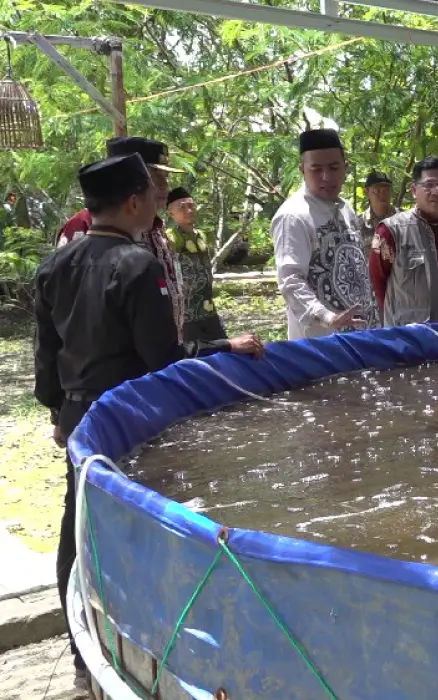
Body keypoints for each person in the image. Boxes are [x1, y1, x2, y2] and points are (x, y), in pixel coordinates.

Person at [32, 154, 265, 686]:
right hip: (134, 419)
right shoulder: (138, 266)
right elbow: (163, 359)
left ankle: (83, 653)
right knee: (153, 525)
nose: (158, 203)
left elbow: (45, 360)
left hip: (77, 416)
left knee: (81, 524)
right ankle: (160, 652)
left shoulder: (55, 264)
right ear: (134, 202)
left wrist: (59, 414)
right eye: (153, 195)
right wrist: (222, 347)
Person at [57, 136, 185, 338]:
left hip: (161, 356)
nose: (163, 185)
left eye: (165, 176)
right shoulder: (82, 227)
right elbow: (72, 308)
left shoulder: (156, 226)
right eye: (154, 175)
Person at [272, 128, 378, 340]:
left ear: (345, 168)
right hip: (322, 339)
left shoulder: (345, 209)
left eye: (334, 167)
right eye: (316, 169)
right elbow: (291, 281)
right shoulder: (293, 216)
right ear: (302, 170)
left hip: (363, 334)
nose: (326, 177)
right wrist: (327, 316)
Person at [369, 157, 438, 325]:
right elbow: (377, 282)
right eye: (428, 185)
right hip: (410, 337)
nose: (436, 191)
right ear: (414, 190)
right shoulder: (391, 231)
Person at [166, 187, 227, 341]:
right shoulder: (169, 238)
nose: (189, 210)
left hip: (208, 310)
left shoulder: (202, 235)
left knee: (221, 352)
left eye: (191, 205)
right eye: (182, 207)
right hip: (186, 315)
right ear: (171, 213)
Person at [360, 170, 395, 250]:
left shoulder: (403, 220)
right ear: (366, 192)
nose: (383, 193)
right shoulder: (357, 224)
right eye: (377, 190)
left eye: (386, 190)